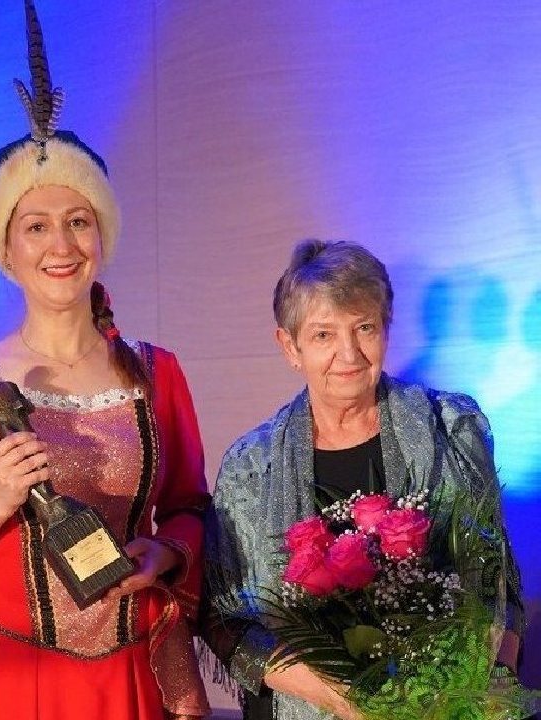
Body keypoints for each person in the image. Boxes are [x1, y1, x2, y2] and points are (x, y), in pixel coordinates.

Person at [0, 4, 210, 718]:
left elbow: (191, 510)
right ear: (6, 252)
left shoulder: (158, 374)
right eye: (35, 226)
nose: (60, 245)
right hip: (7, 672)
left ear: (102, 238)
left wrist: (164, 553)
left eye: (78, 222)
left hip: (131, 669)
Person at [201, 240, 526, 720]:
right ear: (290, 347)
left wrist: (481, 692)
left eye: (364, 328)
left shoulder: (453, 428)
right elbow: (224, 619)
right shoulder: (251, 466)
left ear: (386, 329)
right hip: (305, 705)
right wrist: (340, 697)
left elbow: (499, 581)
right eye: (323, 335)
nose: (349, 353)